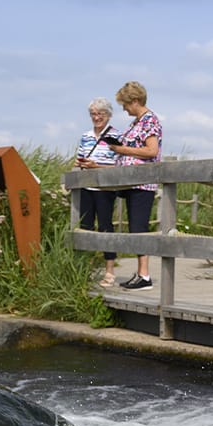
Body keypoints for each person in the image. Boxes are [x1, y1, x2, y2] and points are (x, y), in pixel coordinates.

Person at [109, 81, 162, 290]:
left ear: (136, 101)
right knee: (134, 227)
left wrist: (122, 150)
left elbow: (151, 151)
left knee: (139, 227)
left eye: (126, 104)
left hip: (143, 182)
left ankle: (145, 275)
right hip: (131, 182)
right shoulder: (136, 123)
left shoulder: (150, 121)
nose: (124, 108)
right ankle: (140, 273)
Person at [73, 97, 120, 286]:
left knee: (105, 226)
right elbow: (79, 158)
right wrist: (80, 164)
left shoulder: (116, 135)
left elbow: (118, 165)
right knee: (85, 227)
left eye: (100, 113)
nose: (96, 117)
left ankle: (109, 271)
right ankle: (85, 268)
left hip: (105, 189)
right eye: (93, 113)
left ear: (108, 115)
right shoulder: (86, 136)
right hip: (86, 187)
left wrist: (96, 166)